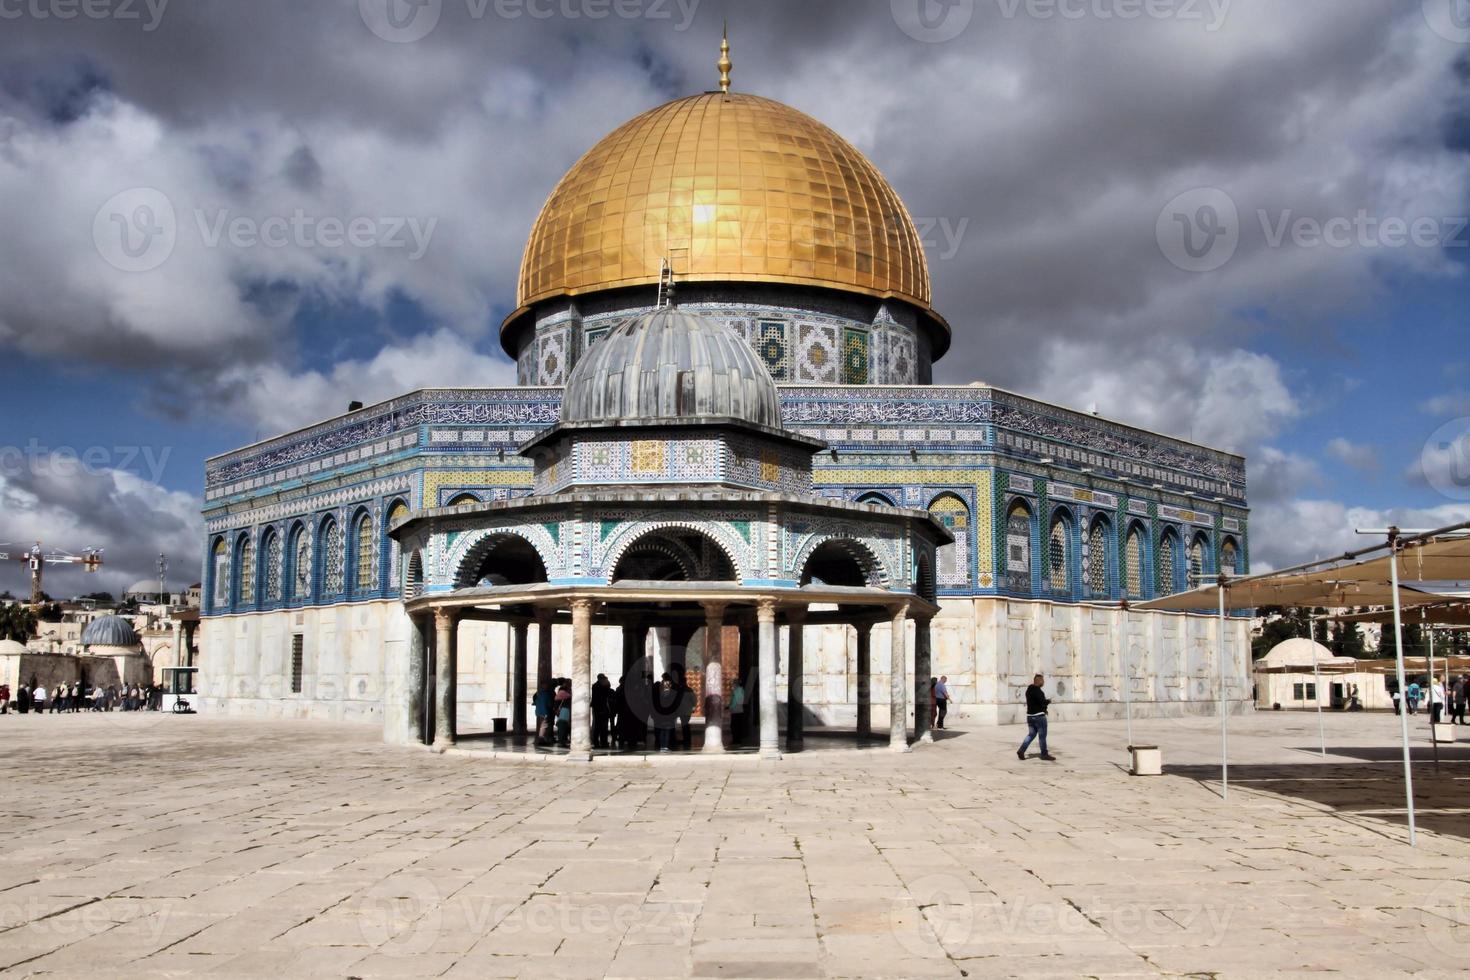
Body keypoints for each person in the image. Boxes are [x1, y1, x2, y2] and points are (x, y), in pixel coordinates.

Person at [1017, 673, 1055, 761]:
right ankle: (1044, 754)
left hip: (1030, 716)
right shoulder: (1038, 691)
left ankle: (1021, 750)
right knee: (1042, 736)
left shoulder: (1028, 690)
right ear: (1040, 681)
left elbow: (1036, 703)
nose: (1044, 682)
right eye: (1043, 680)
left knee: (1031, 735)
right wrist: (1048, 701)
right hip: (1039, 717)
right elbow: (1042, 703)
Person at [591, 674, 612, 749]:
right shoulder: (598, 686)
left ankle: (602, 742)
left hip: (602, 709)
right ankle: (600, 742)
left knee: (602, 727)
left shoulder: (598, 685)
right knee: (599, 727)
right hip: (600, 709)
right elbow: (599, 699)